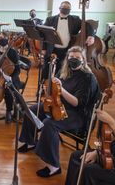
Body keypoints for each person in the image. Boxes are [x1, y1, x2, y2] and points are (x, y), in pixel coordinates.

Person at [18, 46, 99, 177]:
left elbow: (78, 103)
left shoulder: (88, 78)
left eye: (77, 57)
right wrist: (48, 88)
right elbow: (53, 90)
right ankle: (30, 141)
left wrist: (62, 89)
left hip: (78, 114)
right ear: (67, 58)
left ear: (83, 60)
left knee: (49, 124)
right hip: (59, 105)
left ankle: (54, 166)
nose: (74, 59)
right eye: (71, 57)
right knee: (32, 110)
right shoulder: (64, 71)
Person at [42, 1, 96, 77]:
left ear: (70, 10)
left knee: (64, 69)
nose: (66, 9)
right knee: (47, 70)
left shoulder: (75, 19)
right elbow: (44, 34)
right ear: (59, 8)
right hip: (52, 49)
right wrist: (44, 48)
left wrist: (91, 36)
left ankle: (61, 82)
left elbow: (87, 25)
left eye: (68, 8)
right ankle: (45, 82)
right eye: (64, 7)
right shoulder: (50, 19)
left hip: (67, 50)